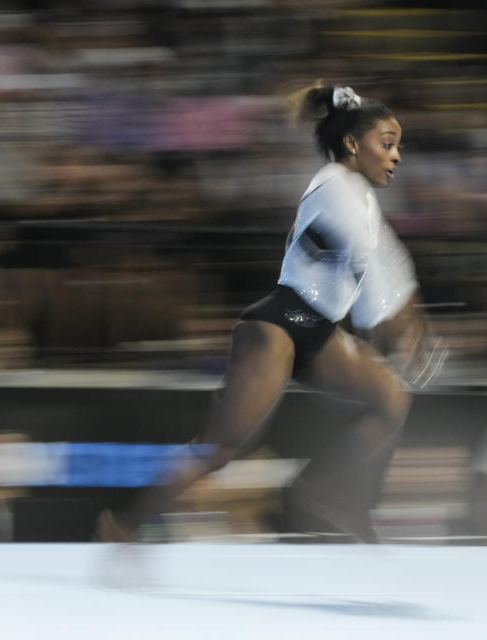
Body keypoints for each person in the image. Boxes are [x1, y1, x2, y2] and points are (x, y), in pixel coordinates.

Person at [96, 83, 445, 545]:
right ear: (351, 144)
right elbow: (369, 260)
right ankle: (123, 523)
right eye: (387, 144)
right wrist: (392, 326)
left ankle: (321, 492)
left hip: (315, 329)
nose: (397, 155)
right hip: (280, 325)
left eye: (398, 145)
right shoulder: (333, 187)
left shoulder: (361, 197)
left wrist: (409, 318)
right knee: (221, 448)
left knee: (390, 398)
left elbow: (390, 257)